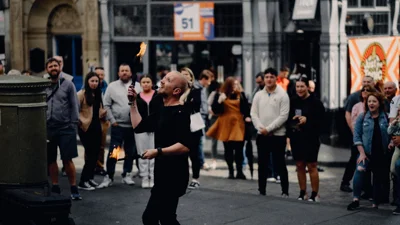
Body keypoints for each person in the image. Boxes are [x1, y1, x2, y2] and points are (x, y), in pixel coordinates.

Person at [129, 71, 191, 225]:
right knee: (167, 218)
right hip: (162, 172)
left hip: (175, 174)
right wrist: (132, 102)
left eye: (168, 80)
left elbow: (184, 145)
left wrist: (158, 151)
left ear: (176, 91)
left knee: (151, 218)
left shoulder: (182, 112)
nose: (162, 81)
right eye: (164, 78)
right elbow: (138, 126)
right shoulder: (162, 109)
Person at [98, 63, 142, 188]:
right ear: (118, 73)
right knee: (114, 151)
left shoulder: (138, 87)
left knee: (130, 151)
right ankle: (109, 176)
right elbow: (106, 105)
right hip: (117, 125)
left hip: (133, 126)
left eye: (126, 70)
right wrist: (112, 121)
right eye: (122, 70)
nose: (124, 72)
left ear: (131, 73)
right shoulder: (112, 87)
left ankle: (126, 174)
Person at [44, 58, 81, 200]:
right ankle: (55, 185)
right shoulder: (44, 85)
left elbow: (74, 105)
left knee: (67, 159)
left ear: (60, 68)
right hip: (49, 128)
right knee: (51, 159)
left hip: (66, 127)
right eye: (50, 66)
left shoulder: (68, 85)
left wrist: (73, 124)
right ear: (47, 69)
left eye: (55, 65)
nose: (53, 68)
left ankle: (73, 187)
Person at [251, 67, 290, 197]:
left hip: (278, 135)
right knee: (262, 163)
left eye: (271, 77)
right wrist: (261, 128)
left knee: (280, 163)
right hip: (262, 135)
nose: (268, 79)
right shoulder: (258, 95)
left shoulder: (283, 95)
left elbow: (283, 116)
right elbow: (254, 114)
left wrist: (269, 129)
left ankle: (285, 191)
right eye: (266, 77)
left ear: (275, 79)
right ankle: (261, 190)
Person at [347, 92, 390, 210]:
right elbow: (357, 136)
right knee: (360, 170)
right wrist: (361, 153)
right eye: (369, 101)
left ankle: (375, 203)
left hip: (380, 153)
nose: (371, 103)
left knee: (377, 177)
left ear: (379, 103)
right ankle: (356, 199)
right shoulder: (363, 116)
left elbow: (391, 133)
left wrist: (391, 143)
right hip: (365, 153)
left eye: (374, 101)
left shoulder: (385, 117)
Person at [287, 76, 325, 202]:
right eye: (297, 86)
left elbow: (322, 122)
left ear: (308, 87)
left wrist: (307, 120)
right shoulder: (292, 101)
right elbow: (287, 118)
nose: (299, 89)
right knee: (299, 165)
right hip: (297, 137)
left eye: (302, 86)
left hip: (311, 138)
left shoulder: (316, 102)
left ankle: (315, 193)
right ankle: (302, 192)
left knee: (312, 165)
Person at [207, 77, 250, 179]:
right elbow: (215, 110)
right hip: (226, 124)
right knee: (228, 149)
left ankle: (239, 171)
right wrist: (219, 101)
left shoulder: (241, 95)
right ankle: (231, 171)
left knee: (239, 149)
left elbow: (246, 109)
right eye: (233, 85)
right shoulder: (221, 95)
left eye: (236, 84)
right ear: (228, 86)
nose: (235, 87)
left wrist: (248, 117)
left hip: (238, 124)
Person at [340, 75, 375, 192]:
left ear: (373, 83)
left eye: (368, 82)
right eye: (364, 81)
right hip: (357, 134)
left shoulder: (376, 96)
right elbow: (348, 114)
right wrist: (354, 131)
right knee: (354, 158)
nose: (366, 84)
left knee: (368, 159)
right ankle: (345, 182)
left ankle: (367, 187)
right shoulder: (355, 97)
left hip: (371, 135)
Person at [77, 72, 106, 190]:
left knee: (95, 154)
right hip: (85, 127)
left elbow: (99, 109)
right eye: (92, 81)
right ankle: (83, 181)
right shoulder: (81, 94)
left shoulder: (98, 93)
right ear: (87, 82)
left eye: (96, 81)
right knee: (89, 154)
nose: (94, 83)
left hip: (97, 126)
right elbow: (74, 109)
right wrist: (80, 121)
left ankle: (89, 178)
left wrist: (103, 113)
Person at [180, 67, 203, 189]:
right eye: (181, 74)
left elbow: (196, 105)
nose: (184, 76)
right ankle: (183, 178)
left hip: (193, 127)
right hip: (180, 127)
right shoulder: (177, 90)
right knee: (181, 155)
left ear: (191, 77)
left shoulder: (195, 90)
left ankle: (195, 178)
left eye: (186, 74)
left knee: (194, 154)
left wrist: (183, 103)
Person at [135, 74, 158, 189]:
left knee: (154, 153)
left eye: (148, 82)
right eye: (143, 82)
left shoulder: (158, 95)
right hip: (141, 129)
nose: (146, 84)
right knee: (143, 153)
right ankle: (144, 177)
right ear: (140, 84)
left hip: (155, 128)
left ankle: (153, 177)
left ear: (152, 83)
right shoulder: (136, 97)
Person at [94, 66, 109, 176]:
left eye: (102, 75)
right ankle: (90, 165)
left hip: (104, 120)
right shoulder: (88, 87)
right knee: (90, 145)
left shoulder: (108, 87)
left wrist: (106, 111)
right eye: (98, 75)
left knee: (101, 145)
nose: (100, 77)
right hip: (91, 120)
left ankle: (99, 166)